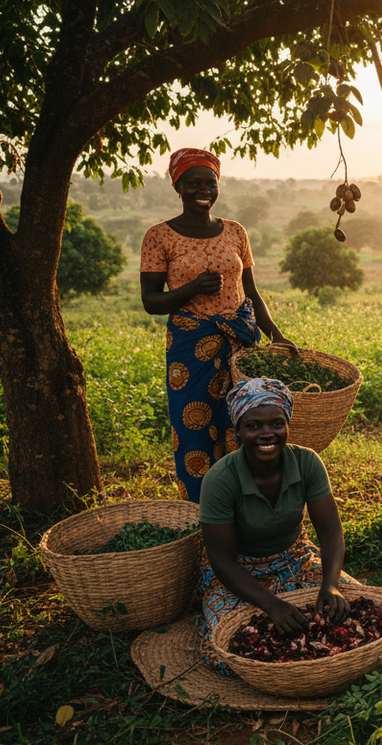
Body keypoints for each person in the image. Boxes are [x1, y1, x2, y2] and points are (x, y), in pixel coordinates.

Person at [140, 148, 298, 503]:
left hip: (239, 346)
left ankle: (248, 506)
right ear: (177, 187)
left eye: (210, 183)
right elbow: (150, 301)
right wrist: (192, 288)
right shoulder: (159, 237)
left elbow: (252, 292)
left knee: (245, 424)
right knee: (194, 429)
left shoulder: (235, 232)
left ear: (218, 185)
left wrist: (276, 333)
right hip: (190, 349)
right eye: (192, 183)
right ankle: (203, 513)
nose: (203, 190)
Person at [198, 379, 356, 674]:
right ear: (238, 433)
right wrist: (273, 606)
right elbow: (221, 560)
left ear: (287, 426)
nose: (266, 433)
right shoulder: (220, 480)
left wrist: (331, 585)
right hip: (240, 573)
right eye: (253, 426)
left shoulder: (307, 462)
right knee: (234, 652)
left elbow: (331, 530)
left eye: (276, 423)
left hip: (296, 558)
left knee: (351, 612)